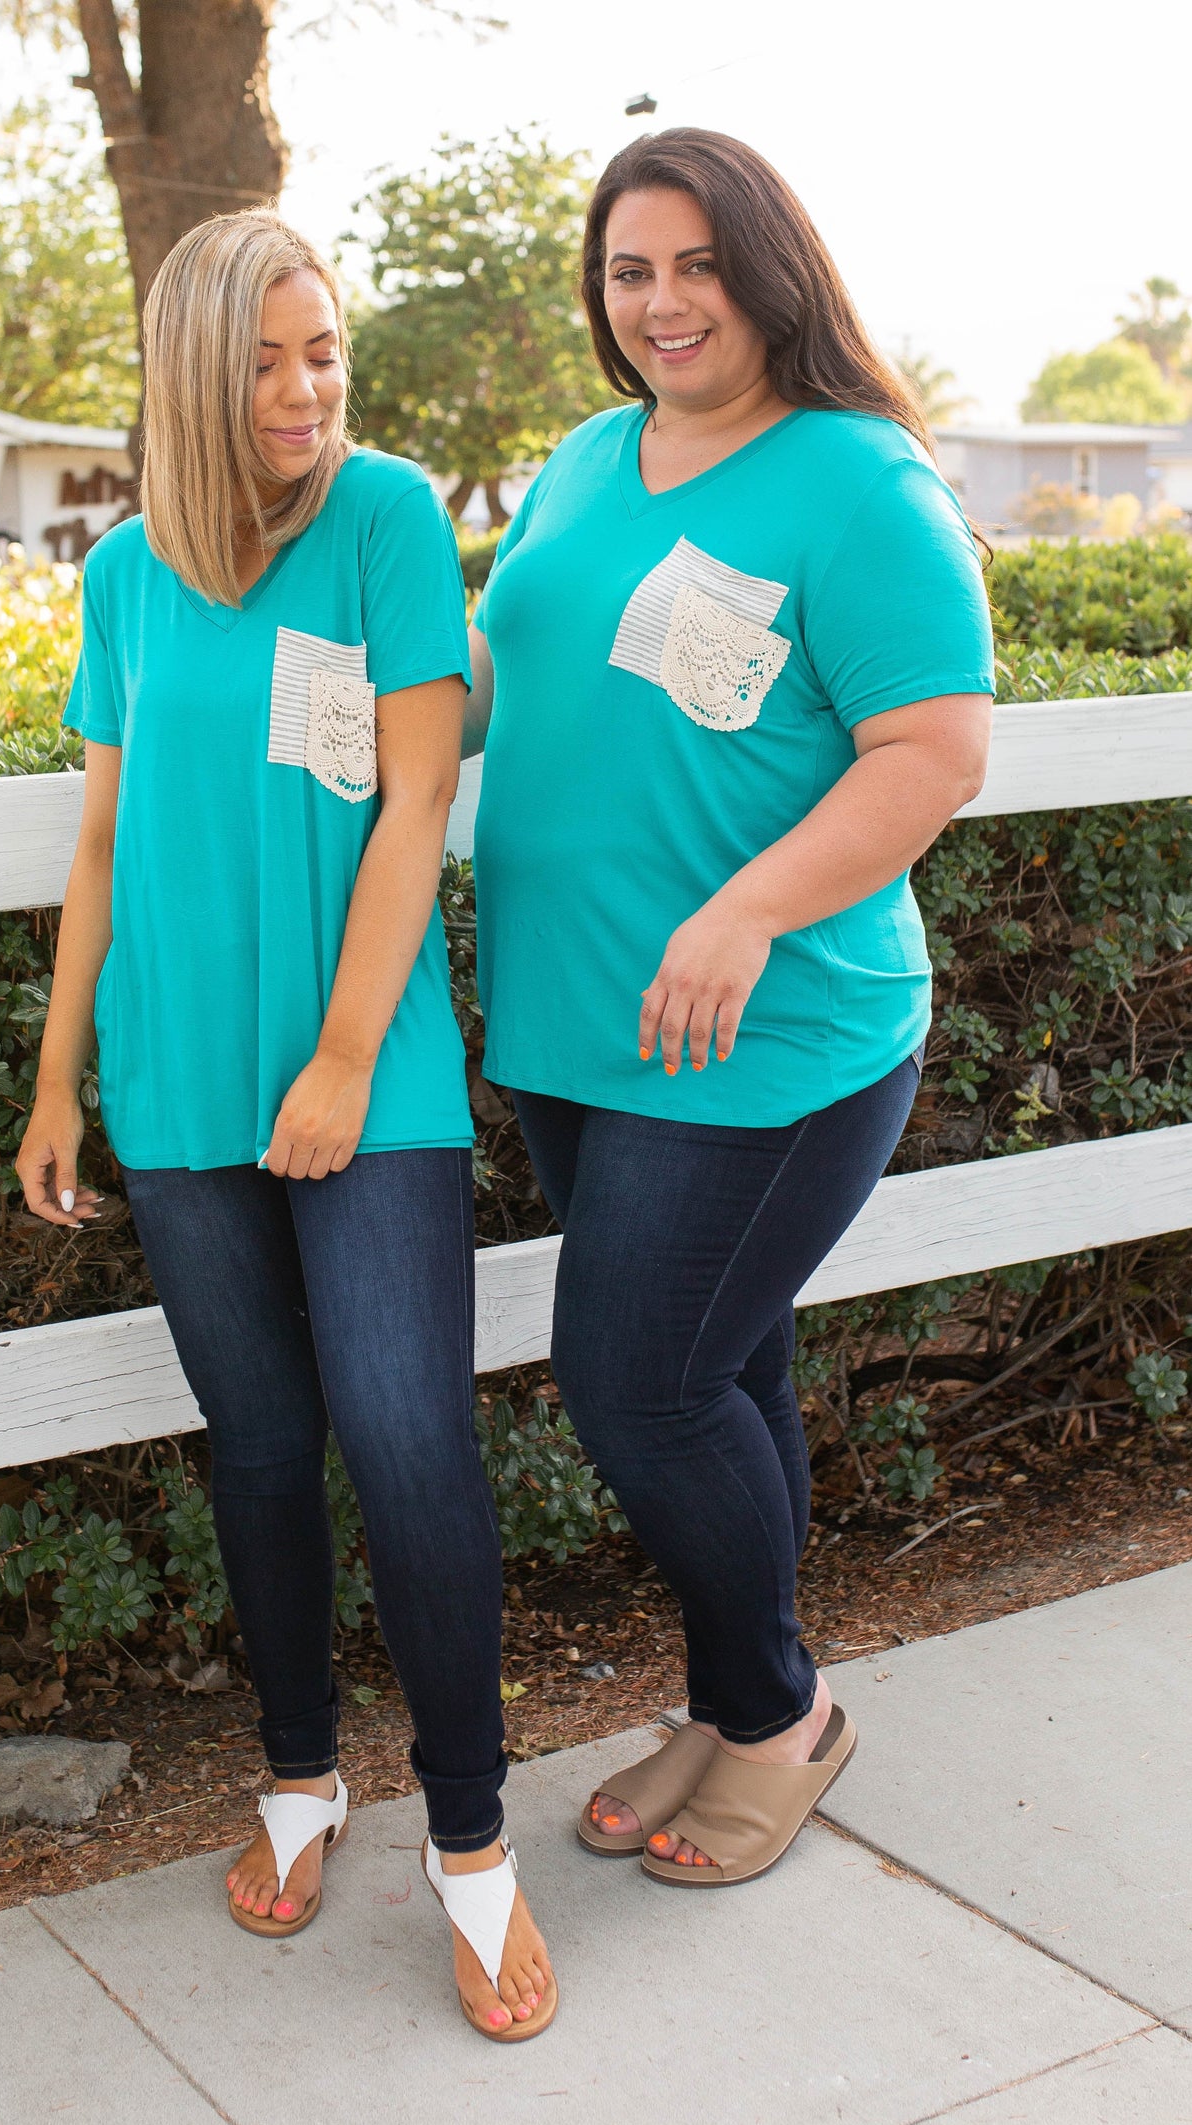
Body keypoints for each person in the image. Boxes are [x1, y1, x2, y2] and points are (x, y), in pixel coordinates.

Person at [15, 210, 555, 2039]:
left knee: (407, 1441)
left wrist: (338, 1061)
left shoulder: (390, 519)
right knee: (257, 1446)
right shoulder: (118, 576)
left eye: (321, 350)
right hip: (171, 1084)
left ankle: (472, 1847)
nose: (302, 388)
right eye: (261, 357)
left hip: (365, 1076)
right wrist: (56, 1077)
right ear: (188, 367)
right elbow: (98, 841)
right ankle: (302, 1777)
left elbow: (412, 807)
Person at [465, 130, 994, 1887]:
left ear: (767, 270)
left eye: (696, 264)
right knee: (720, 1364)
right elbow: (489, 680)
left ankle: (774, 1715)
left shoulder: (857, 483)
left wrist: (745, 909)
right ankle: (724, 1688)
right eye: (629, 271)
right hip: (575, 1036)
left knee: (635, 1382)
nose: (662, 302)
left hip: (767, 1037)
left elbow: (931, 751)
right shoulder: (582, 460)